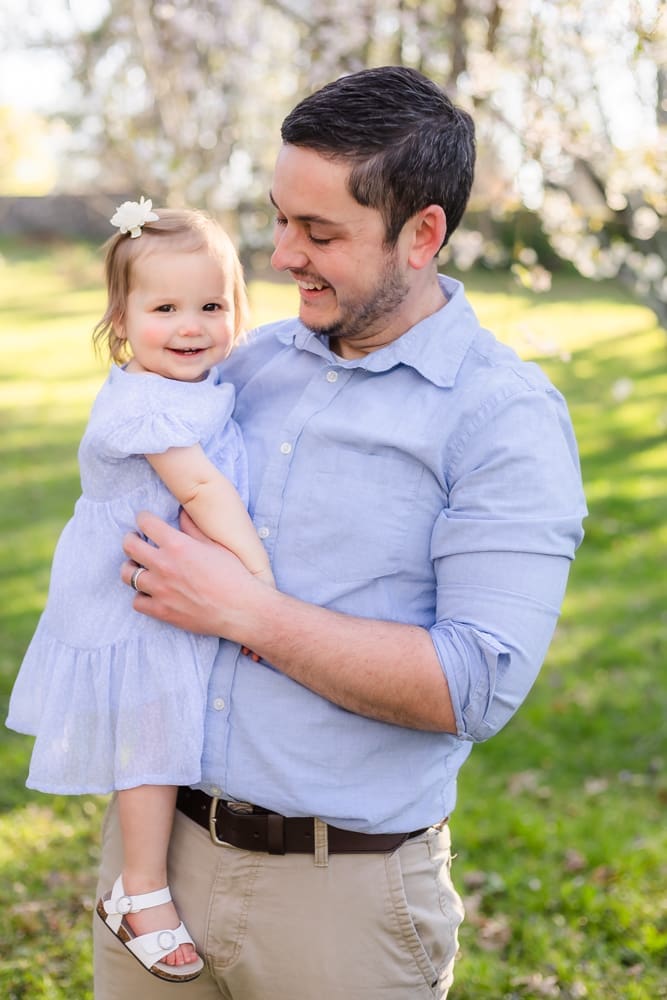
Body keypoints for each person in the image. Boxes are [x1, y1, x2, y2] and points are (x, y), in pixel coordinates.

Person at [94, 66, 587, 999]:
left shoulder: (502, 417)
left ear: (421, 234)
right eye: (280, 219)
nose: (284, 255)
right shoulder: (243, 366)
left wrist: (246, 612)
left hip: (339, 902)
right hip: (152, 866)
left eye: (319, 233)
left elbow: (473, 685)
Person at [6, 201, 275, 984]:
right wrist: (259, 583)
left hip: (160, 576)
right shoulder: (144, 402)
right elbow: (202, 490)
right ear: (120, 321)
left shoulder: (188, 379)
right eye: (165, 310)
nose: (191, 326)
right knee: (150, 739)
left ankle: (149, 878)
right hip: (126, 592)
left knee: (168, 725)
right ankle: (142, 890)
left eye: (212, 306)